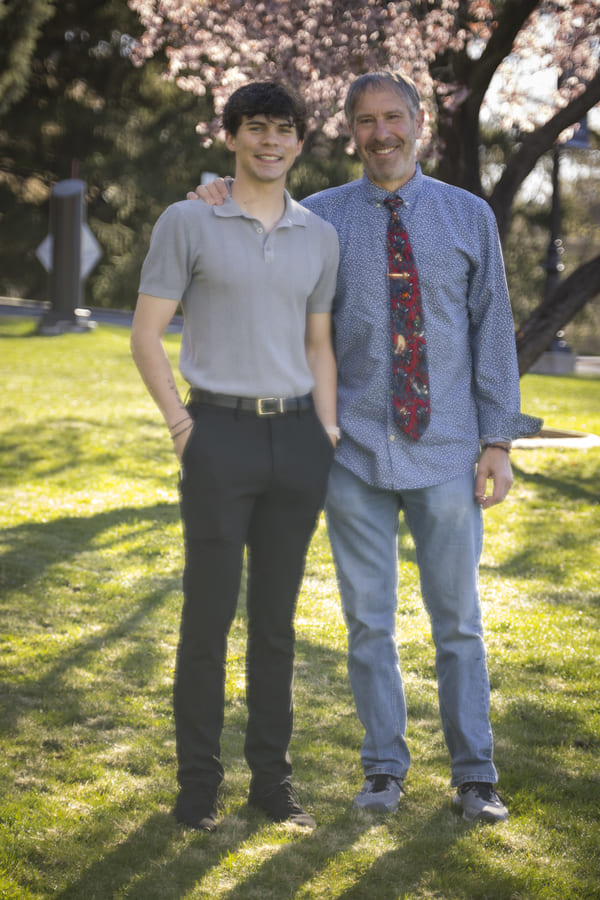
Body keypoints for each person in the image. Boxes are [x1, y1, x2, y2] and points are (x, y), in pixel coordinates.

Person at [190, 71, 542, 825]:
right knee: (369, 622)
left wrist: (497, 440)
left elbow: (493, 333)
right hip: (349, 454)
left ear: (419, 124)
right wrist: (214, 201)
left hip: (447, 450)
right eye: (366, 121)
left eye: (393, 118)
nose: (381, 133)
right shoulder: (316, 220)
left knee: (458, 622)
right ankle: (383, 768)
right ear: (351, 131)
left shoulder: (468, 216)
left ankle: (475, 774)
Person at [131, 81, 340, 833]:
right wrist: (182, 425)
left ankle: (272, 786)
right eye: (256, 128)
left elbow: (318, 344)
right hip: (217, 435)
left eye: (284, 130)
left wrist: (327, 430)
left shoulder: (319, 235)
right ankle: (197, 788)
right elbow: (146, 333)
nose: (270, 143)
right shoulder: (188, 219)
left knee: (276, 627)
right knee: (208, 618)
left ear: (300, 141)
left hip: (298, 444)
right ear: (231, 136)